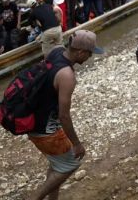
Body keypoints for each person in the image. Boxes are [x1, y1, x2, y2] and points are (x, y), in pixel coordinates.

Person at [26, 30, 103, 200]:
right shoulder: (67, 75)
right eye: (89, 53)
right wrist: (77, 144)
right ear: (81, 52)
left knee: (58, 164)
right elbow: (64, 116)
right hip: (45, 129)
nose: (90, 57)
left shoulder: (56, 51)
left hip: (35, 119)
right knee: (70, 165)